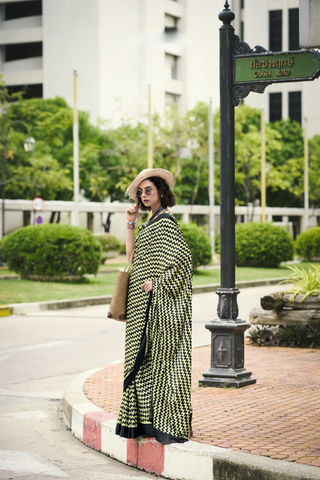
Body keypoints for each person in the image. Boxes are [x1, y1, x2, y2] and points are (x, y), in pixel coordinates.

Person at [115, 168, 193, 445]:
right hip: (141, 306)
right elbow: (132, 257)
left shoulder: (167, 223)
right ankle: (145, 423)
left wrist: (157, 284)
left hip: (157, 306)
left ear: (161, 190)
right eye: (140, 192)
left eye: (148, 190)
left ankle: (166, 424)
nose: (144, 195)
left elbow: (183, 262)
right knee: (144, 363)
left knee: (161, 363)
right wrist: (130, 223)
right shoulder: (150, 222)